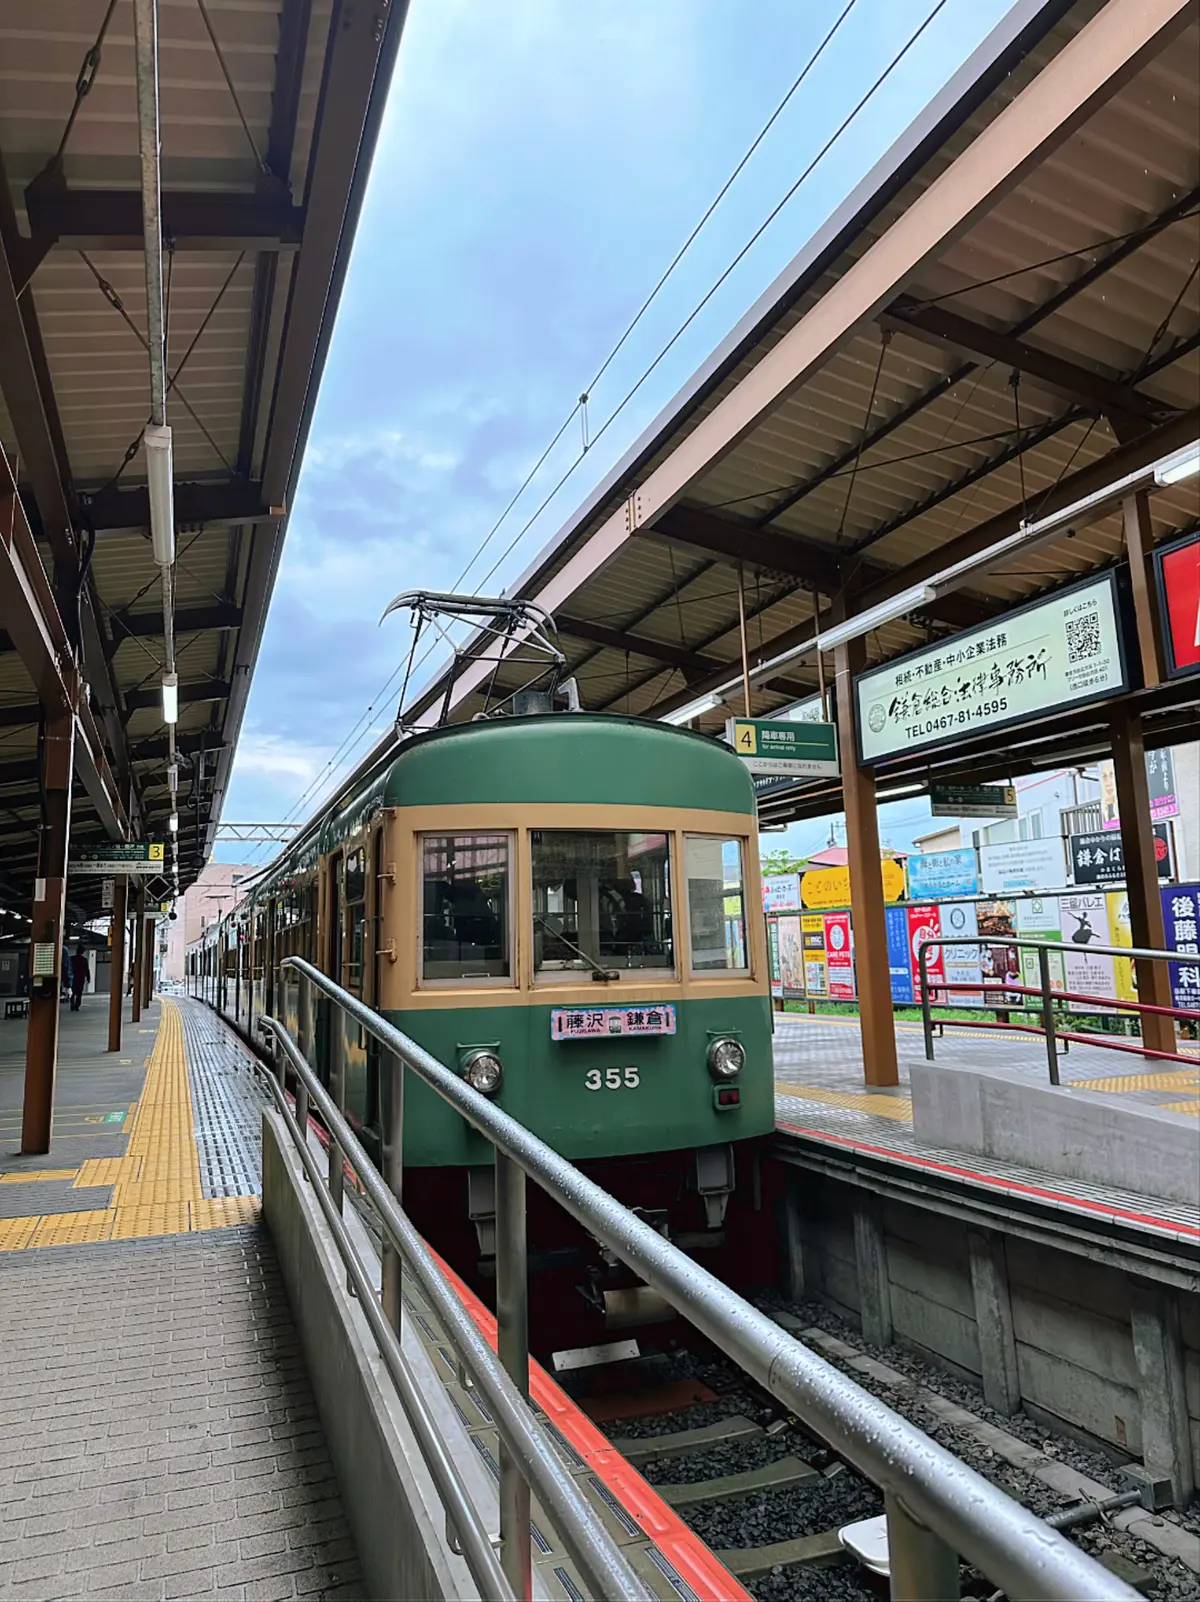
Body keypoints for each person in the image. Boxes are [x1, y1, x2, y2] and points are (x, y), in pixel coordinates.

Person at [70, 946, 89, 1011]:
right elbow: (87, 970)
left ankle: (72, 1004)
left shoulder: (71, 959)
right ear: (83, 952)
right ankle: (77, 1006)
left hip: (73, 977)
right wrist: (88, 978)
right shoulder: (84, 960)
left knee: (73, 992)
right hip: (80, 978)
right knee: (79, 993)